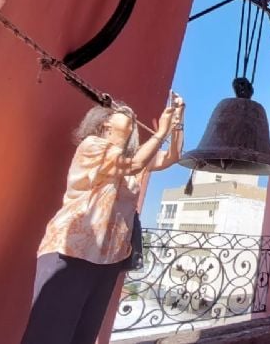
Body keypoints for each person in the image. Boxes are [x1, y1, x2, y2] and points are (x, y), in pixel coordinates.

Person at [21, 95, 185, 344]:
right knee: (49, 335)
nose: (130, 114)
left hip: (108, 257)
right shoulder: (92, 146)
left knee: (83, 336)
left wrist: (177, 122)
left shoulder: (130, 157)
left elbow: (171, 157)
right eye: (121, 112)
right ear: (105, 124)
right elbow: (134, 165)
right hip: (71, 251)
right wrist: (160, 132)